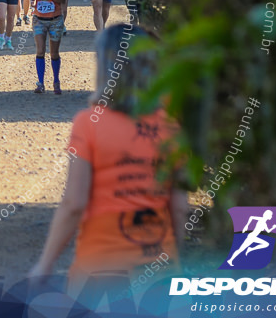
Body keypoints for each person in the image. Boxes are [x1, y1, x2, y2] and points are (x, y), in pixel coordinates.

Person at [29, 25, 186, 287]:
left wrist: (45, 264)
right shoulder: (170, 126)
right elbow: (179, 207)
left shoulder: (89, 124)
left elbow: (74, 204)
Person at [31, 0, 67, 94]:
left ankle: (56, 81)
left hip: (55, 19)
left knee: (54, 53)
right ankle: (40, 83)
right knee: (40, 50)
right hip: (39, 19)